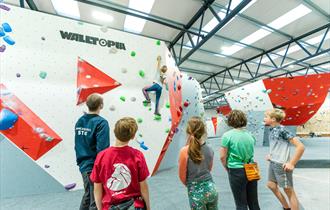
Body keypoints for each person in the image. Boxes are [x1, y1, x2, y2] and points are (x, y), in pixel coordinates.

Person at [90, 117, 150, 210]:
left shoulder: (101, 156)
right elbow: (143, 187)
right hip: (134, 205)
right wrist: (148, 207)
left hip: (110, 206)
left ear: (114, 132)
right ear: (133, 136)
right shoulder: (137, 155)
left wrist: (99, 208)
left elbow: (97, 188)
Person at [264, 109, 305, 210]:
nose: (264, 118)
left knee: (289, 191)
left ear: (273, 119)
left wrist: (291, 163)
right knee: (271, 185)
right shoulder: (272, 129)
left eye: (266, 116)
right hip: (273, 162)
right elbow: (278, 146)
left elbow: (300, 147)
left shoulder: (283, 130)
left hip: (281, 165)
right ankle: (286, 207)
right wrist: (271, 155)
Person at [75, 93, 110, 210]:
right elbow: (103, 149)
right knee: (96, 199)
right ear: (101, 105)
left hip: (83, 163)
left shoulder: (80, 121)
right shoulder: (101, 123)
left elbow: (77, 143)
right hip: (94, 165)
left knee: (88, 194)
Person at [220, 110, 260, 210]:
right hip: (251, 167)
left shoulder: (227, 135)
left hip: (237, 169)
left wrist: (227, 167)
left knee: (241, 203)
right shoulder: (250, 135)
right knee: (254, 202)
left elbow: (222, 156)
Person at [178, 116, 218, 210]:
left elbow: (182, 177)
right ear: (203, 131)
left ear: (188, 132)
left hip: (195, 192)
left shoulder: (184, 151)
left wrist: (192, 185)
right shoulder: (209, 149)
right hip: (211, 188)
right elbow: (209, 169)